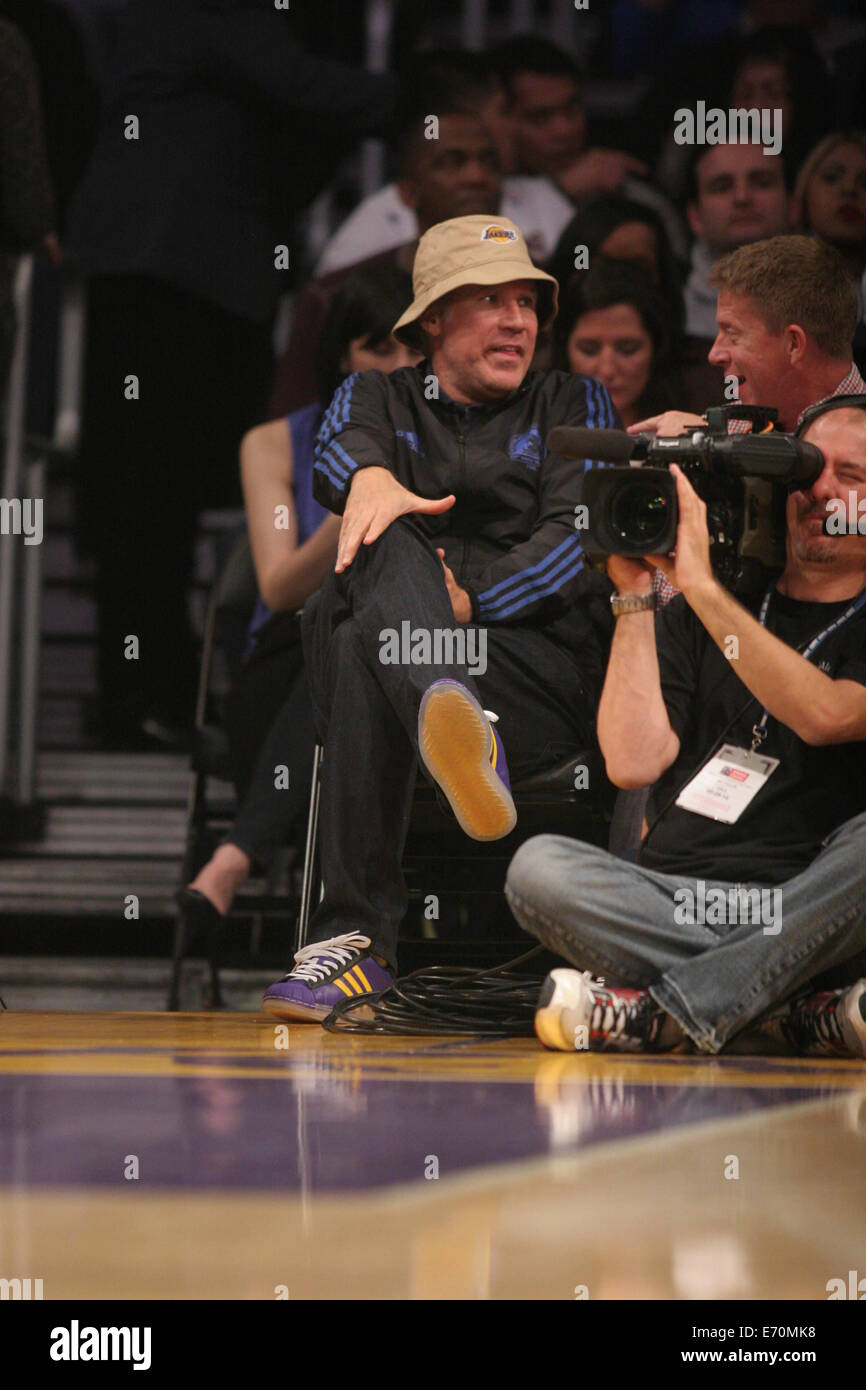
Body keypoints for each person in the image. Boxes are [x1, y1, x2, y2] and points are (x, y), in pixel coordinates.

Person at [261, 214, 617, 1022]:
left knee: (361, 626)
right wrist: (376, 482)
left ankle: (354, 946)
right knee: (376, 538)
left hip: (532, 678)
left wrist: (470, 600)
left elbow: (577, 540)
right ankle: (447, 709)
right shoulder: (375, 394)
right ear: (431, 321)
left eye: (527, 302)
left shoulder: (574, 399)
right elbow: (332, 457)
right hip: (421, 693)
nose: (517, 321)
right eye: (489, 300)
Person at [66, 0, 396, 748]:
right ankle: (142, 696)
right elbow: (294, 81)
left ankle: (154, 692)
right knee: (145, 494)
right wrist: (431, 101)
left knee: (154, 493)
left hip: (180, 268)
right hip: (168, 270)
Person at [506, 394, 866, 1059]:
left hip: (806, 894)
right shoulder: (715, 602)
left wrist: (698, 586)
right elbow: (632, 762)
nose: (820, 490)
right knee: (538, 871)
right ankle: (785, 1003)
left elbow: (827, 715)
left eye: (852, 477)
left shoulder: (716, 597)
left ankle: (667, 1013)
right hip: (682, 899)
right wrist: (637, 597)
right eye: (810, 468)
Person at [179, 268, 419, 927]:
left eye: (412, 349)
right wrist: (356, 509)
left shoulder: (448, 442)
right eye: (379, 348)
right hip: (291, 655)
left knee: (365, 647)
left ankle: (236, 852)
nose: (397, 366)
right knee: (339, 643)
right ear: (343, 354)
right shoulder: (274, 445)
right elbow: (279, 584)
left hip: (404, 664)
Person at [270, 107, 504, 416]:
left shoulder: (538, 289)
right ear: (407, 192)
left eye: (488, 162)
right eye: (451, 163)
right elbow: (290, 434)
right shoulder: (334, 295)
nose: (476, 177)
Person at [315, 51, 575, 277]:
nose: (475, 176)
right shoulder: (372, 237)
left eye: (485, 161)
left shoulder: (545, 200)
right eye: (503, 111)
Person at [635, 236, 866, 439]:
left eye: (732, 334)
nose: (714, 355)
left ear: (793, 344)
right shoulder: (734, 419)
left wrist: (710, 443)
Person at [490, 35, 688, 262]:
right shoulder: (476, 192)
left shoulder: (628, 194)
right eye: (540, 117)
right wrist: (559, 189)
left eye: (571, 110)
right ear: (500, 121)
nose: (564, 130)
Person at [554, 260, 684, 429]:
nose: (608, 370)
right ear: (565, 348)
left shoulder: (693, 427)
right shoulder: (531, 437)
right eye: (589, 350)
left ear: (657, 348)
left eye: (628, 349)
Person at [793, 131, 866, 369]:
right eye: (832, 177)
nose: (849, 190)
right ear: (803, 192)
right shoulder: (772, 289)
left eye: (865, 182)